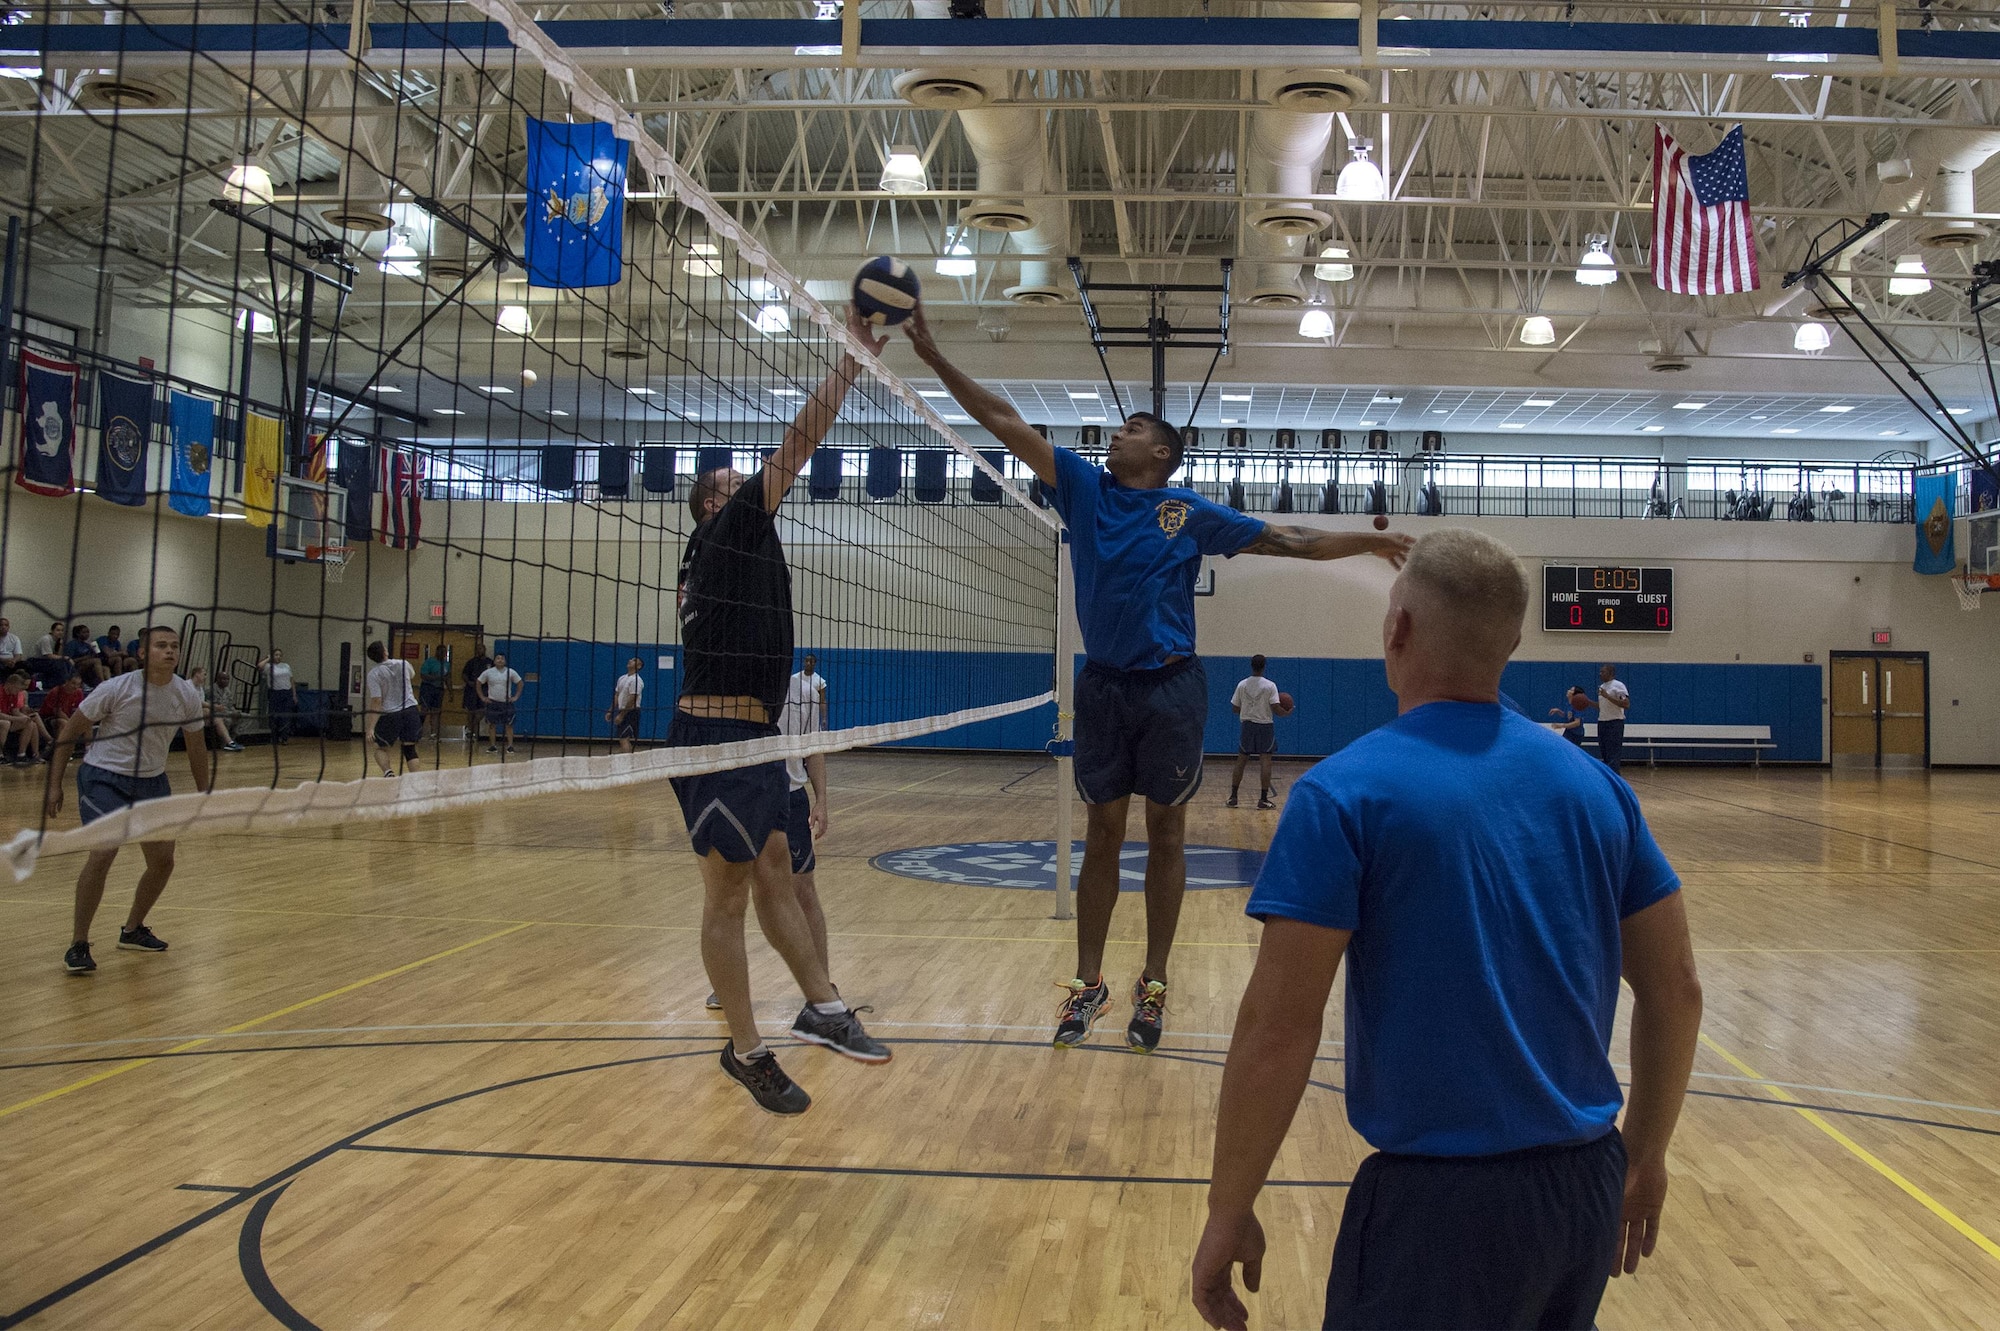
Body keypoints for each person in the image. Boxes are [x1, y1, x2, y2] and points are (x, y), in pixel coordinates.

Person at [1191, 529, 1703, 1331]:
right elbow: (1677, 989)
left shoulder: (1344, 793)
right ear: (1511, 645)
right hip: (1584, 1191)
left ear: (1396, 631)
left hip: (1438, 1210)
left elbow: (1279, 1026)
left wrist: (1231, 1204)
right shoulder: (1599, 789)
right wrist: (1645, 1152)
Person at [905, 301, 1412, 1053]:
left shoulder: (1185, 510)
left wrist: (1364, 547)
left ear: (1162, 456)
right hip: (1103, 685)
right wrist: (932, 351)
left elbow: (1288, 539)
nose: (1118, 433)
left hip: (1172, 687)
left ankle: (1154, 980)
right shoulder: (1084, 487)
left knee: (1166, 833)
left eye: (1134, 429)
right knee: (1102, 835)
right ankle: (1087, 984)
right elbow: (1006, 421)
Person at [674, 305, 889, 1114]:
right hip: (717, 735)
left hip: (754, 734)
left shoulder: (739, 546)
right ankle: (746, 1047)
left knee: (777, 873)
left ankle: (822, 1005)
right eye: (729, 485)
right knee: (727, 895)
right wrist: (851, 360)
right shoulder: (728, 531)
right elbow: (799, 442)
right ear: (711, 507)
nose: (746, 486)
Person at [45, 625, 212, 975]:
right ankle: (78, 943)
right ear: (142, 652)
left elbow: (197, 747)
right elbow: (69, 732)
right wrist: (54, 784)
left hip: (152, 783)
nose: (169, 651)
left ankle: (133, 929)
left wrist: (205, 794)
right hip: (103, 778)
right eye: (161, 645)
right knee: (105, 851)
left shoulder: (186, 694)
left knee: (164, 860)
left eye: (174, 646)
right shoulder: (116, 688)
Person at [705, 651, 835, 1013]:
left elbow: (815, 749)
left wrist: (820, 800)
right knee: (729, 892)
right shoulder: (729, 695)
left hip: (790, 797)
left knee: (802, 889)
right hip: (739, 794)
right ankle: (725, 986)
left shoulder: (802, 690)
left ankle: (823, 988)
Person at [1228, 656, 1282, 810]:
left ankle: (1233, 797)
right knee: (1265, 761)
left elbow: (1235, 708)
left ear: (1251, 666)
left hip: (1247, 725)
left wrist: (1248, 708)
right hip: (1264, 726)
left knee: (1241, 760)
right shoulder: (1270, 686)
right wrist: (1286, 712)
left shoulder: (1242, 684)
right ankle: (1263, 799)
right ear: (1264, 666)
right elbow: (1276, 708)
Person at [364, 642, 424, 777]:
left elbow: (376, 701)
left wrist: (370, 728)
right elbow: (412, 675)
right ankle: (416, 779)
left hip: (390, 715)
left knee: (380, 748)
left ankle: (388, 772)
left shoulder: (373, 674)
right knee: (409, 748)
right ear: (385, 652)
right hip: (410, 711)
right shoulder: (403, 664)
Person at [186, 666, 245, 753]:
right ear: (197, 674)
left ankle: (229, 742)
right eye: (204, 674)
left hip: (197, 713)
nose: (205, 677)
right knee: (212, 712)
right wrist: (214, 707)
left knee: (217, 718)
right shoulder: (187, 685)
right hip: (186, 712)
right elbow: (197, 702)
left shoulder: (200, 688)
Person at [2, 670, 51, 763]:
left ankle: (22, 754)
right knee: (6, 723)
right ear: (10, 684)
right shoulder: (1, 693)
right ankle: (1, 754)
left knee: (30, 723)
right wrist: (19, 718)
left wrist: (24, 717)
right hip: (5, 719)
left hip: (9, 718)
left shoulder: (13, 695)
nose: (18, 691)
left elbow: (14, 710)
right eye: (17, 688)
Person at [478, 653, 522, 754]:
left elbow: (520, 683)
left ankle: (510, 746)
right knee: (492, 725)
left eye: (502, 658)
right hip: (492, 702)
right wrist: (482, 697)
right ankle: (493, 746)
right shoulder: (488, 672)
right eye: (498, 658)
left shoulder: (510, 672)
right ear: (494, 661)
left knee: (509, 725)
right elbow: (478, 682)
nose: (500, 660)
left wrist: (515, 697)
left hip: (506, 703)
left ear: (505, 661)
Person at [1596, 664, 1632, 772]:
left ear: (1611, 673)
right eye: (1600, 672)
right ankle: (1608, 778)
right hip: (1602, 722)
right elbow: (1602, 706)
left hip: (1614, 723)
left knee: (1613, 754)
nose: (1600, 674)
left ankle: (1615, 777)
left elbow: (1626, 704)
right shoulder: (1602, 686)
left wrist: (1607, 696)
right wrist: (1587, 702)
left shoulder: (1618, 685)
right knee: (1605, 752)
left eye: (1603, 672)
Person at [259, 649, 296, 744]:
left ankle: (284, 737)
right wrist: (268, 658)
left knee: (286, 716)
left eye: (280, 655)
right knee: (274, 716)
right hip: (275, 693)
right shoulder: (268, 666)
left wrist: (294, 695)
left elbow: (291, 680)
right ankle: (275, 737)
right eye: (276, 655)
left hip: (286, 692)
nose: (278, 657)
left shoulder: (286, 666)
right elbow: (259, 666)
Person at [607, 656, 644, 754]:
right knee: (622, 738)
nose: (630, 660)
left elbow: (633, 698)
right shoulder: (622, 678)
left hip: (631, 712)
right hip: (622, 710)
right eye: (631, 659)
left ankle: (627, 761)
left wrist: (622, 715)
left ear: (639, 666)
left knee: (624, 739)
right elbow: (617, 695)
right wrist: (611, 711)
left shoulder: (636, 680)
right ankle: (628, 758)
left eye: (634, 660)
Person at [462, 642, 494, 746]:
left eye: (481, 648)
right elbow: (464, 674)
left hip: (484, 690)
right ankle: (470, 731)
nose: (480, 650)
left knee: (481, 711)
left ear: (484, 649)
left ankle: (472, 728)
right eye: (478, 648)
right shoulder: (471, 662)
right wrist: (469, 682)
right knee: (471, 711)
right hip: (472, 690)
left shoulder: (490, 662)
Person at [418, 650, 446, 739]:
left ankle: (434, 734)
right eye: (441, 651)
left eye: (444, 652)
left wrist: (450, 691)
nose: (443, 654)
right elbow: (423, 675)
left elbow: (448, 677)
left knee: (436, 711)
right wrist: (436, 677)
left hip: (439, 689)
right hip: (427, 688)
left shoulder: (446, 664)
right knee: (424, 710)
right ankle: (417, 730)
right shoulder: (429, 662)